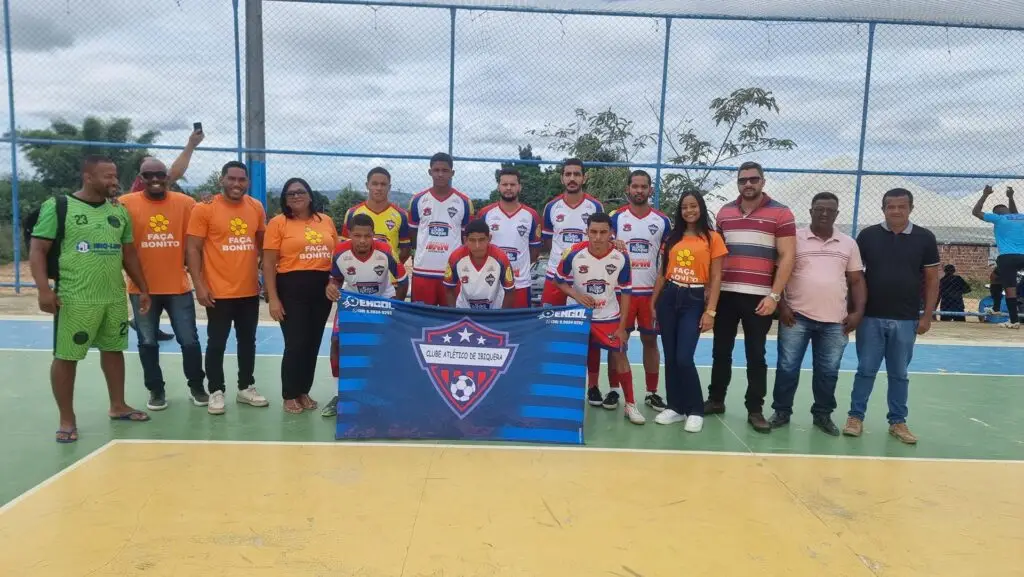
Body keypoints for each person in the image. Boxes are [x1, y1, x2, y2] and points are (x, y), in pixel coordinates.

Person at [29, 155, 152, 443]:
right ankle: (67, 419)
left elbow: (129, 254)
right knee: (66, 356)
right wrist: (43, 290)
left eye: (115, 175)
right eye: (107, 176)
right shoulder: (59, 206)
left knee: (114, 350)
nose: (114, 181)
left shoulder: (118, 211)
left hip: (113, 296)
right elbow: (38, 250)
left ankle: (118, 405)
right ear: (88, 177)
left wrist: (143, 287)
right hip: (74, 297)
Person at [706, 161, 796, 433]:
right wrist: (711, 292)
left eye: (753, 179)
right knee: (721, 351)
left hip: (759, 298)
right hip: (726, 294)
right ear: (738, 183)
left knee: (756, 354)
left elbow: (788, 256)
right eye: (743, 179)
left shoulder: (781, 213)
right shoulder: (724, 212)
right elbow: (716, 256)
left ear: (763, 181)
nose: (748, 184)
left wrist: (774, 296)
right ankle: (716, 399)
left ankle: (755, 409)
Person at [844, 188, 939, 444]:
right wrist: (854, 311)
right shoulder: (867, 236)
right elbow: (855, 276)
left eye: (901, 206)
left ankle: (897, 422)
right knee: (865, 370)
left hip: (906, 319)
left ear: (911, 208)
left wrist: (927, 316)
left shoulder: (925, 238)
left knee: (899, 374)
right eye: (891, 206)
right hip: (870, 318)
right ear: (883, 208)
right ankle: (855, 417)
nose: (896, 211)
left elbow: (932, 280)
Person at [768, 192, 866, 436]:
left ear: (837, 214)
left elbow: (856, 280)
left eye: (829, 210)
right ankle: (781, 411)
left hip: (835, 321)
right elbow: (777, 273)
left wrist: (858, 313)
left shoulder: (848, 243)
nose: (824, 213)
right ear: (810, 211)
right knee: (787, 367)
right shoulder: (794, 239)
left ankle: (822, 414)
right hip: (796, 317)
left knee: (828, 372)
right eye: (819, 209)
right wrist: (782, 306)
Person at [119, 157, 207, 410]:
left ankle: (197, 387)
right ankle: (156, 390)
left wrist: (211, 201)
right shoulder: (125, 204)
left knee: (189, 341)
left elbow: (205, 216)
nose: (155, 179)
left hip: (178, 287)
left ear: (167, 177)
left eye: (160, 174)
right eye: (149, 175)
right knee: (147, 342)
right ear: (141, 178)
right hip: (141, 289)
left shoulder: (185, 203)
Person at [186, 160, 269, 415]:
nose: (236, 183)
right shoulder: (204, 208)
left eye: (241, 179)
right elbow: (193, 249)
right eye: (231, 178)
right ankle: (216, 390)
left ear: (248, 182)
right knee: (217, 343)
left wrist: (265, 278)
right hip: (217, 291)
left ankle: (246, 387)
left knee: (248, 341)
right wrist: (199, 285)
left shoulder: (256, 207)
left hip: (248, 290)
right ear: (221, 180)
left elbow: (263, 245)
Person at [556, 212, 644, 425]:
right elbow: (559, 280)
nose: (597, 237)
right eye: (593, 232)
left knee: (620, 355)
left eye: (603, 232)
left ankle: (630, 404)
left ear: (611, 232)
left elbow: (626, 292)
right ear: (586, 231)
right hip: (579, 315)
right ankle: (570, 401)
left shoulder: (621, 256)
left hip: (608, 316)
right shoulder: (573, 253)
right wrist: (577, 295)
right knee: (572, 357)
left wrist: (623, 326)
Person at [650, 190, 727, 433]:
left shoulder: (713, 238)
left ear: (701, 208)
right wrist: (653, 303)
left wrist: (710, 311)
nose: (689, 211)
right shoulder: (672, 238)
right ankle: (675, 406)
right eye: (684, 207)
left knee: (684, 357)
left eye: (693, 206)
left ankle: (695, 409)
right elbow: (662, 273)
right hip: (669, 297)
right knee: (671, 357)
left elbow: (716, 277)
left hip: (693, 299)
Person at [262, 178, 338, 414]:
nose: (296, 196)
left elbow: (336, 257)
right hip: (291, 288)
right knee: (296, 343)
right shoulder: (278, 223)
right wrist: (273, 298)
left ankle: (303, 390)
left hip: (321, 289)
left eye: (300, 191)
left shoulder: (325, 221)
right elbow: (268, 263)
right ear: (285, 199)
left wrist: (333, 282)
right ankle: (289, 394)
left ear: (310, 195)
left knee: (313, 343)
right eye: (290, 193)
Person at [323, 213, 409, 417]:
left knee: (386, 345)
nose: (362, 240)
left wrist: (395, 307)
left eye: (367, 236)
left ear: (373, 235)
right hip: (353, 301)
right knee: (336, 342)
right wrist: (331, 286)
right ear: (349, 235)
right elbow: (335, 278)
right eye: (357, 235)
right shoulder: (340, 252)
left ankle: (385, 392)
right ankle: (339, 394)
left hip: (382, 300)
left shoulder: (385, 251)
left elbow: (403, 281)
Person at [610, 169, 671, 411]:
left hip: (649, 293)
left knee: (650, 340)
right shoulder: (616, 218)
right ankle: (614, 390)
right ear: (627, 189)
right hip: (621, 292)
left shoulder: (662, 221)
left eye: (643, 186)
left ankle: (651, 392)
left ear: (650, 190)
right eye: (635, 186)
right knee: (617, 342)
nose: (639, 190)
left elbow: (667, 259)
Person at [408, 153, 474, 305]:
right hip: (423, 270)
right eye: (436, 170)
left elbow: (466, 237)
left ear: (452, 173)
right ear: (430, 172)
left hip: (452, 272)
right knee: (422, 316)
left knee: (451, 317)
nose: (440, 174)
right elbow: (413, 233)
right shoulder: (418, 200)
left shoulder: (464, 202)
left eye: (445, 170)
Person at [541, 159, 603, 306]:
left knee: (584, 319)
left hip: (584, 275)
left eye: (577, 174)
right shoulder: (551, 207)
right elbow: (548, 241)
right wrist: (561, 258)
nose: (572, 178)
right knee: (550, 318)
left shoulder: (595, 206)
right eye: (568, 174)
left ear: (584, 178)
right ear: (562, 178)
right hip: (555, 276)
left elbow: (600, 240)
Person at [476, 168, 541, 308]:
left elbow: (534, 252)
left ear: (519, 187)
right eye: (505, 184)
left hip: (520, 283)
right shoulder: (485, 213)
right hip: (490, 281)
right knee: (491, 321)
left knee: (519, 321)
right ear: (498, 187)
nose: (508, 188)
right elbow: (477, 248)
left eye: (512, 184)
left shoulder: (531, 215)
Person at [973, 185, 1023, 328]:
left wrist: (985, 194)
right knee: (995, 276)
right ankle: (996, 308)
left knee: (1010, 289)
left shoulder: (999, 219)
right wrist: (1011, 197)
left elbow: (976, 212)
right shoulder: (1021, 217)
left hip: (1007, 257)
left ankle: (1013, 321)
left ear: (996, 213)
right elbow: (1014, 213)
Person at [341, 167, 411, 263]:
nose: (379, 188)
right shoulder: (352, 213)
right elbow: (345, 245)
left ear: (389, 187)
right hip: (359, 270)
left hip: (388, 271)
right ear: (367, 185)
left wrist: (392, 266)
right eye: (374, 184)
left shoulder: (401, 215)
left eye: (383, 184)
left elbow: (405, 250)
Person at [443, 219, 516, 309]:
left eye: (481, 240)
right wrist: (455, 313)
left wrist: (501, 315)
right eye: (472, 240)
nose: (477, 246)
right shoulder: (456, 257)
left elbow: (510, 291)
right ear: (465, 240)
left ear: (489, 238)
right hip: (464, 311)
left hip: (494, 311)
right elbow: (449, 288)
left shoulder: (500, 258)